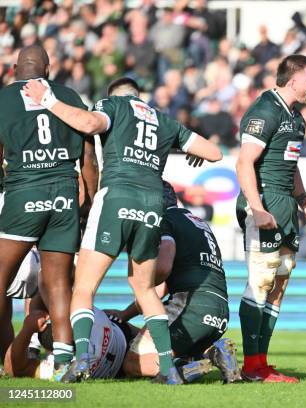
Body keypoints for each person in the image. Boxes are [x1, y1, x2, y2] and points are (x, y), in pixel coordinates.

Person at [24, 76, 223, 385]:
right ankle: (169, 367)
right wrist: (192, 150)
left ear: (115, 95)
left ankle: (81, 361)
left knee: (85, 288)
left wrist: (47, 100)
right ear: (140, 96)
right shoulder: (164, 120)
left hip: (117, 196)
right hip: (153, 204)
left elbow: (90, 123)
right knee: (144, 289)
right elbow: (214, 153)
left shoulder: (113, 105)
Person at [0, 45, 98, 380]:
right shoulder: (68, 94)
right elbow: (88, 156)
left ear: (15, 69)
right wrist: (90, 199)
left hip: (23, 192)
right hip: (64, 194)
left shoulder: (3, 99)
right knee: (58, 282)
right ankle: (65, 361)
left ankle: (5, 357)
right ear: (48, 68)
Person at [235, 54, 306, 383]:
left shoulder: (296, 119)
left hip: (287, 204)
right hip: (266, 201)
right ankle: (250, 365)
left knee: (280, 281)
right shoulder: (264, 111)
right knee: (260, 280)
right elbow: (245, 163)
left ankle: (262, 361)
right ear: (292, 81)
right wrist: (257, 209)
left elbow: (292, 164)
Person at [119, 182, 240, 384]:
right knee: (146, 333)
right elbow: (161, 290)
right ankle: (209, 352)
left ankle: (208, 359)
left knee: (132, 362)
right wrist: (125, 314)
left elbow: (164, 269)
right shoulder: (197, 222)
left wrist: (141, 280)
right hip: (220, 312)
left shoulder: (165, 220)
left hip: (191, 307)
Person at [4, 304, 137, 381]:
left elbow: (14, 368)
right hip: (121, 333)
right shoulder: (86, 312)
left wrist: (27, 329)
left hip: (118, 368)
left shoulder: (57, 370)